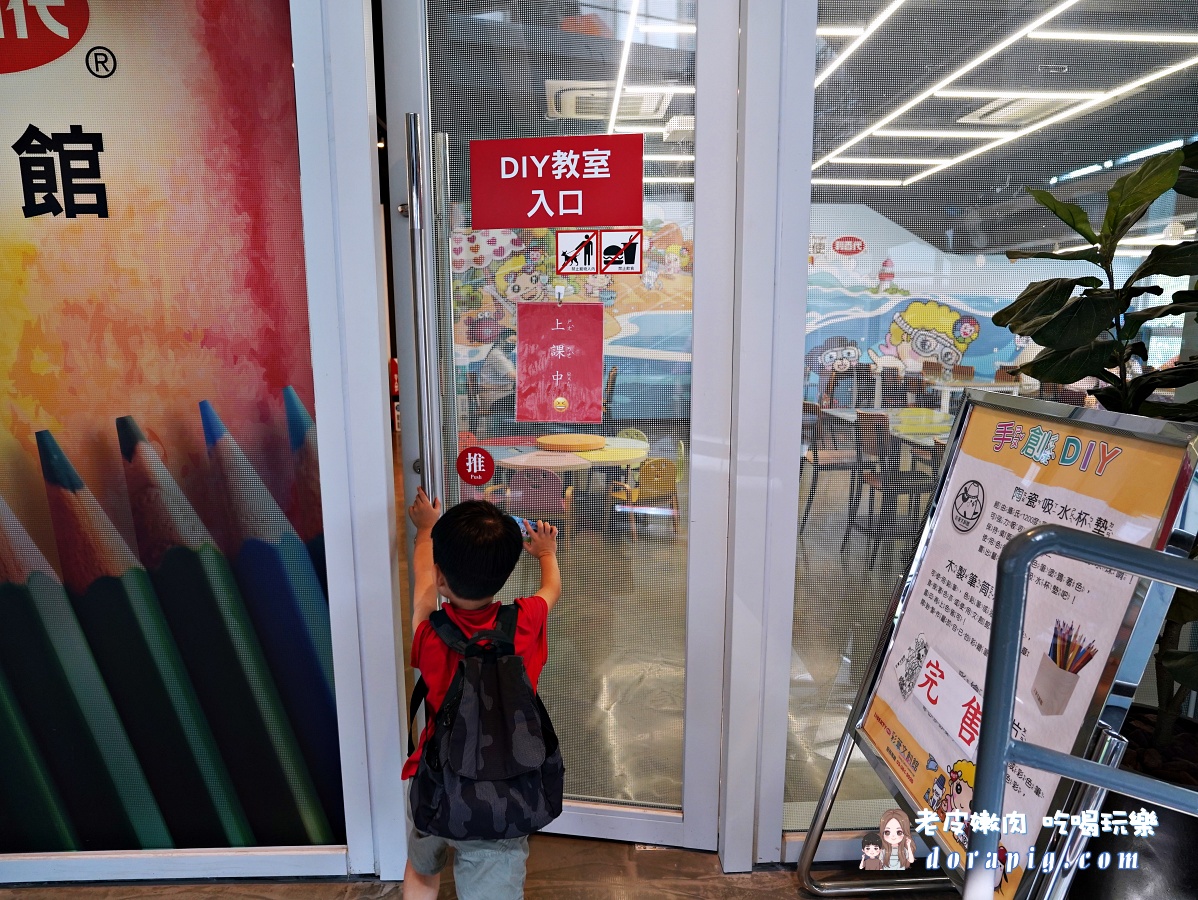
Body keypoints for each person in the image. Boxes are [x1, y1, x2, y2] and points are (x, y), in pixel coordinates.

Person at [403, 488, 562, 900]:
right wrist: (546, 554)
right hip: (502, 795)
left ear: (443, 578)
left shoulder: (430, 634)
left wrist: (425, 531)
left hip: (436, 779)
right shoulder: (524, 622)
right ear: (505, 574)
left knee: (422, 871)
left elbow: (422, 584)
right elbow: (552, 590)